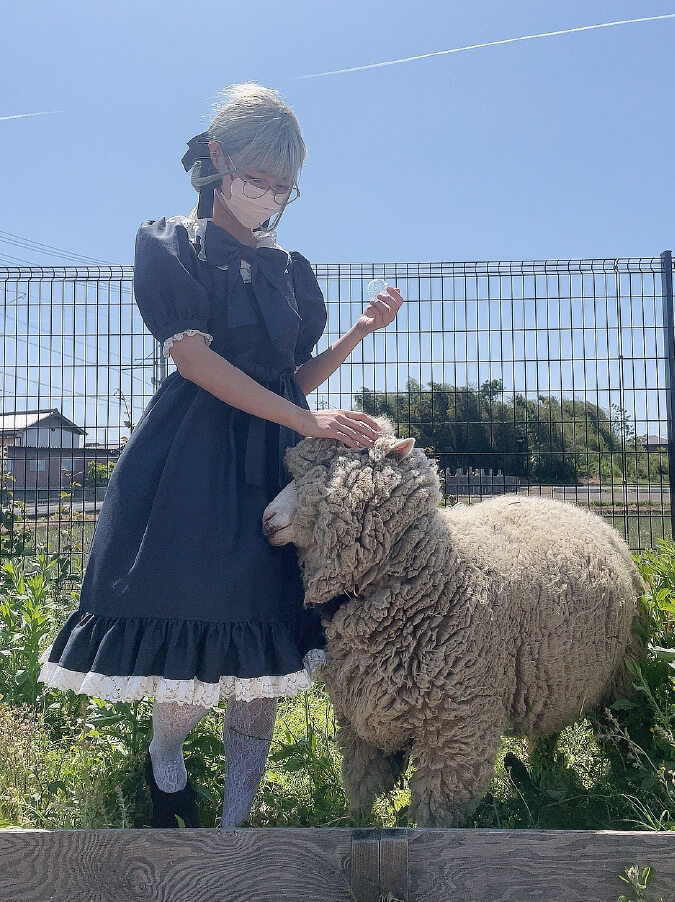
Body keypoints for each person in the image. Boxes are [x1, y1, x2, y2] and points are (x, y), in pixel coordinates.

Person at [37, 81, 403, 828]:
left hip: (271, 462)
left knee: (261, 655)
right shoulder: (173, 245)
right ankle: (166, 763)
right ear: (217, 159)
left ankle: (234, 832)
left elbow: (288, 381)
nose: (269, 196)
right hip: (193, 460)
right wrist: (305, 420)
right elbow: (196, 363)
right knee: (196, 624)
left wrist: (357, 336)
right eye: (258, 177)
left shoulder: (290, 269)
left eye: (283, 186)